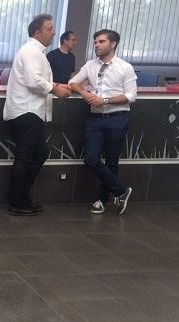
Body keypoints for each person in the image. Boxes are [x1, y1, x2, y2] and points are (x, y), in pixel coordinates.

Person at [3, 13, 72, 216]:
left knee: (39, 153)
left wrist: (57, 85)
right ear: (37, 32)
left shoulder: (36, 52)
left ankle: (23, 197)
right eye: (49, 29)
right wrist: (56, 89)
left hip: (30, 111)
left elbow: (38, 79)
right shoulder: (31, 51)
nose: (54, 33)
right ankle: (16, 202)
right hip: (27, 111)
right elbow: (34, 81)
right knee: (25, 157)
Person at [69, 29, 136, 215]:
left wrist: (105, 100)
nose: (96, 45)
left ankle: (102, 200)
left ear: (113, 44)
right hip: (96, 119)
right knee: (91, 159)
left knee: (112, 162)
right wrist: (85, 93)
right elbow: (73, 82)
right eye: (95, 42)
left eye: (101, 41)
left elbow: (131, 96)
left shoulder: (125, 67)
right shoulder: (90, 65)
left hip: (118, 118)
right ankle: (121, 191)